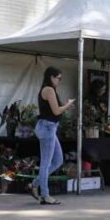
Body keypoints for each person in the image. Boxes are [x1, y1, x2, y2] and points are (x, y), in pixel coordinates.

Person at [32, 66, 75, 205]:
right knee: (46, 163)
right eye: (59, 78)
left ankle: (34, 184)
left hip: (50, 127)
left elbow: (54, 110)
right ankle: (45, 195)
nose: (60, 81)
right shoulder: (49, 90)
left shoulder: (49, 89)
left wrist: (66, 106)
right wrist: (67, 105)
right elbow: (56, 111)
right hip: (47, 127)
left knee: (58, 160)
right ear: (51, 77)